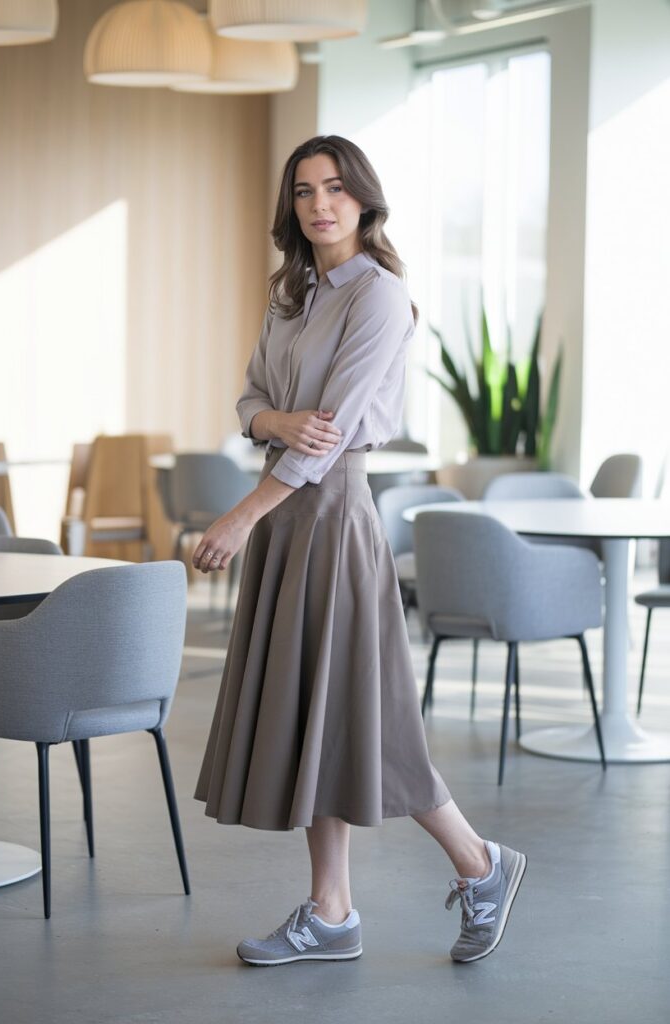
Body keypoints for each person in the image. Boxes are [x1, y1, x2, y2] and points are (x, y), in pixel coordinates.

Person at [193, 135, 526, 966]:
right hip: (288, 515)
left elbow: (327, 438)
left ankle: (478, 863)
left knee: (364, 720)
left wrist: (239, 517)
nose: (319, 205)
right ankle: (334, 910)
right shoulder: (289, 296)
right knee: (320, 715)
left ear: (364, 201)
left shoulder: (378, 296)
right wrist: (269, 422)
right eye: (303, 191)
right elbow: (250, 399)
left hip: (330, 513)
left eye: (335, 189)